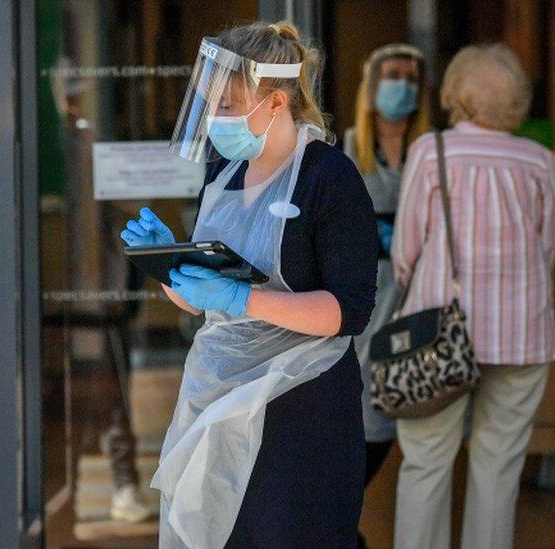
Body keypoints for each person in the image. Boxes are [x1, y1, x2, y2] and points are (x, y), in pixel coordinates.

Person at [121, 22, 377, 548]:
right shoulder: (223, 171)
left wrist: (243, 298)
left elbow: (348, 310)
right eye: (210, 105)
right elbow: (199, 304)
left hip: (302, 403)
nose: (215, 119)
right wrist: (170, 264)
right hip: (217, 393)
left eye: (229, 106)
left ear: (276, 102)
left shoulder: (330, 178)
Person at [391, 44, 555, 549]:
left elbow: (406, 251)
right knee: (499, 465)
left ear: (455, 96)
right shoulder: (538, 160)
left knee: (425, 462)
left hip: (436, 331)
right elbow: (545, 248)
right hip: (521, 334)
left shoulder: (431, 151)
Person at [341, 43, 429, 548]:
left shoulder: (431, 150)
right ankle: (342, 528)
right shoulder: (350, 147)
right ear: (372, 86)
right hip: (366, 299)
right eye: (393, 75)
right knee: (362, 415)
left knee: (401, 416)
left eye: (412, 78)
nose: (403, 86)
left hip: (417, 298)